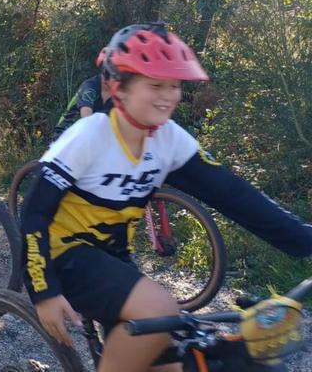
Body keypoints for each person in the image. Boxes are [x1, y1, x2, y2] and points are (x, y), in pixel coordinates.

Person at [22, 23, 312, 372]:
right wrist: (44, 292)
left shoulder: (169, 140)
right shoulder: (89, 135)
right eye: (155, 85)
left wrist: (304, 241)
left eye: (175, 85)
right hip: (63, 257)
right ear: (119, 88)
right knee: (160, 309)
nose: (169, 95)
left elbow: (237, 197)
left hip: (114, 259)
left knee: (170, 361)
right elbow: (34, 213)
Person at [51, 47, 113, 140]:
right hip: (65, 135)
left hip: (87, 138)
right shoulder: (90, 86)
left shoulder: (119, 94)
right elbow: (86, 116)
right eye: (107, 71)